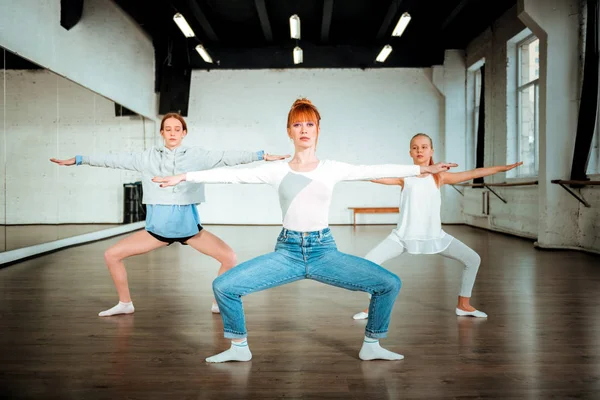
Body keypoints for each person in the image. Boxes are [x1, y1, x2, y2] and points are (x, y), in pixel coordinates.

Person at [153, 99, 457, 362]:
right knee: (224, 287)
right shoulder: (277, 169)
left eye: (309, 124)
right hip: (286, 253)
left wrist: (422, 169)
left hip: (324, 251)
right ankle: (239, 346)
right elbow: (234, 177)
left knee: (388, 283)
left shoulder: (332, 167)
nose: (304, 130)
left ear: (318, 129)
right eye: (297, 125)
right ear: (289, 131)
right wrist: (184, 176)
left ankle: (372, 344)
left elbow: (372, 170)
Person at [50, 113, 289, 317]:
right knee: (111, 255)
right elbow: (113, 159)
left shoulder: (197, 156)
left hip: (190, 230)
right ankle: (125, 304)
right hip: (157, 231)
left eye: (177, 129)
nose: (172, 133)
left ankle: (219, 304)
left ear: (184, 132)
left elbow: (228, 156)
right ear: (162, 133)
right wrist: (79, 160)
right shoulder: (146, 158)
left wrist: (262, 156)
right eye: (168, 129)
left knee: (229, 257)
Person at [351, 133, 522, 320]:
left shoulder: (439, 177)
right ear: (410, 152)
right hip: (402, 237)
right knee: (368, 262)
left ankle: (463, 305)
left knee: (473, 259)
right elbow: (376, 177)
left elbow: (473, 173)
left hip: (435, 237)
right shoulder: (405, 177)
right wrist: (351, 172)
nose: (419, 150)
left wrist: (502, 169)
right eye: (415, 147)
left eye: (424, 147)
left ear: (431, 150)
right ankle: (372, 308)